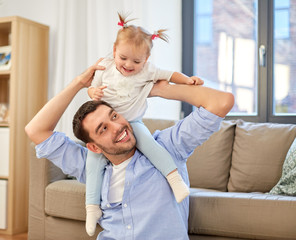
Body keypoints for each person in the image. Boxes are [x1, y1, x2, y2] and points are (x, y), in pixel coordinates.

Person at [25, 59, 234, 239]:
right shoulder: (88, 167)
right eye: (103, 129)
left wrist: (163, 90)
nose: (118, 127)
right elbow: (35, 130)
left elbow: (222, 102)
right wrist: (79, 83)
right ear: (93, 147)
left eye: (114, 116)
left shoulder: (169, 146)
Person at [85, 13, 204, 236]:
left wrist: (187, 80)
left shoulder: (148, 71)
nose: (128, 65)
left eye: (136, 61)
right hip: (108, 124)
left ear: (146, 59)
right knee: (93, 163)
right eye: (123, 58)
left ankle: (174, 180)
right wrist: (93, 91)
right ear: (114, 51)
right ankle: (92, 207)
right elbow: (92, 86)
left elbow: (170, 74)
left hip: (133, 123)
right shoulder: (105, 66)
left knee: (150, 146)